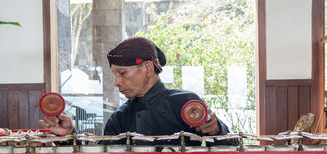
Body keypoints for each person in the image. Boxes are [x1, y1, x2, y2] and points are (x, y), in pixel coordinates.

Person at [38, 37, 229, 143]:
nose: (116, 82)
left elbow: (230, 148)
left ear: (147, 68)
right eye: (114, 75)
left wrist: (216, 129)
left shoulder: (185, 102)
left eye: (122, 73)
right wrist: (70, 135)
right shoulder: (120, 116)